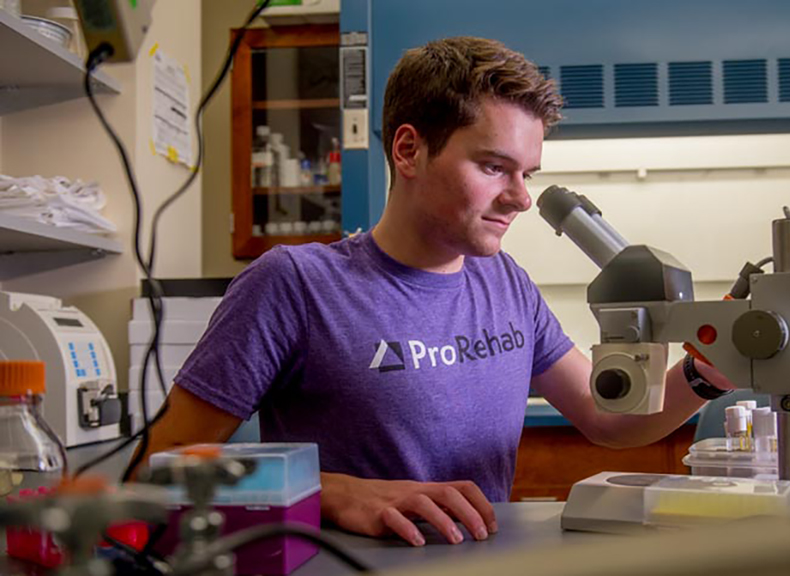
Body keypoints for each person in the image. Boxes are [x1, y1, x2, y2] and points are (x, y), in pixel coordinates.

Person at [131, 36, 733, 547]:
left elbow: (608, 419)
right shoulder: (295, 284)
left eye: (528, 173)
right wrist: (329, 492)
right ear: (409, 150)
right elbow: (157, 474)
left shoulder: (505, 284)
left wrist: (711, 370)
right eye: (495, 167)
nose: (522, 198)